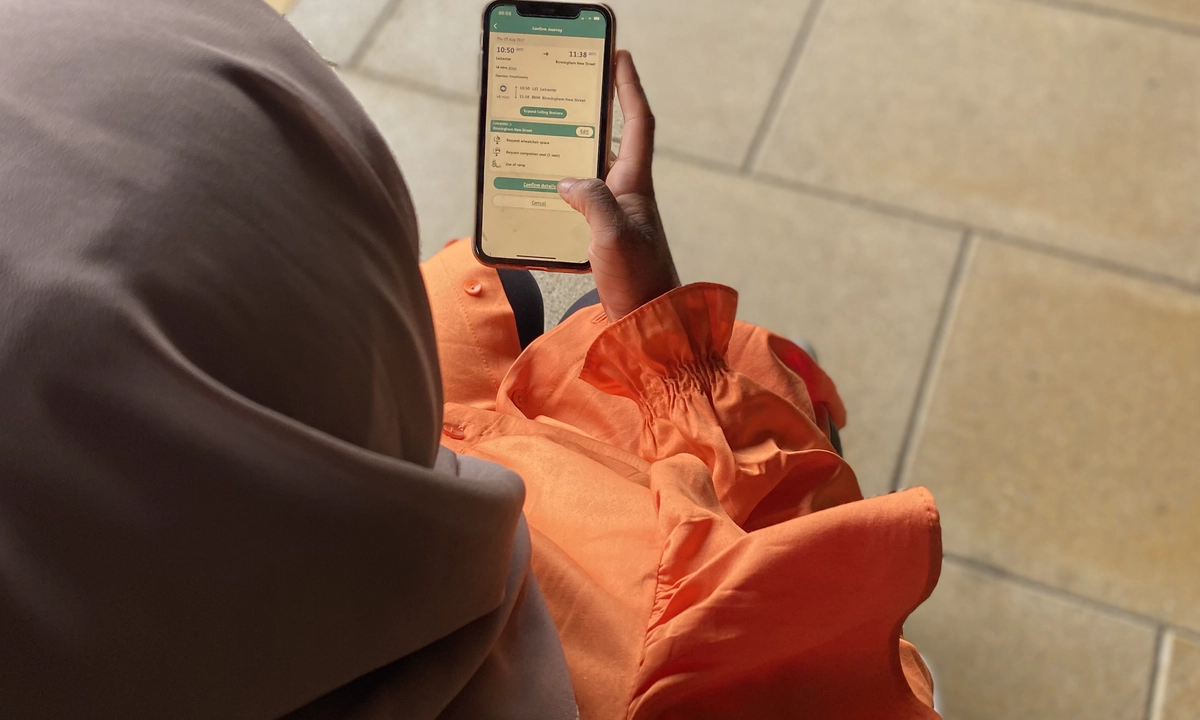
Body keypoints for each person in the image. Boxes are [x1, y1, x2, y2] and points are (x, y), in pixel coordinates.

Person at [0, 0, 941, 718]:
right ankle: (791, 385)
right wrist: (672, 341)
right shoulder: (666, 651)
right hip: (600, 560)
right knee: (750, 366)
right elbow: (794, 575)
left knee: (499, 288)